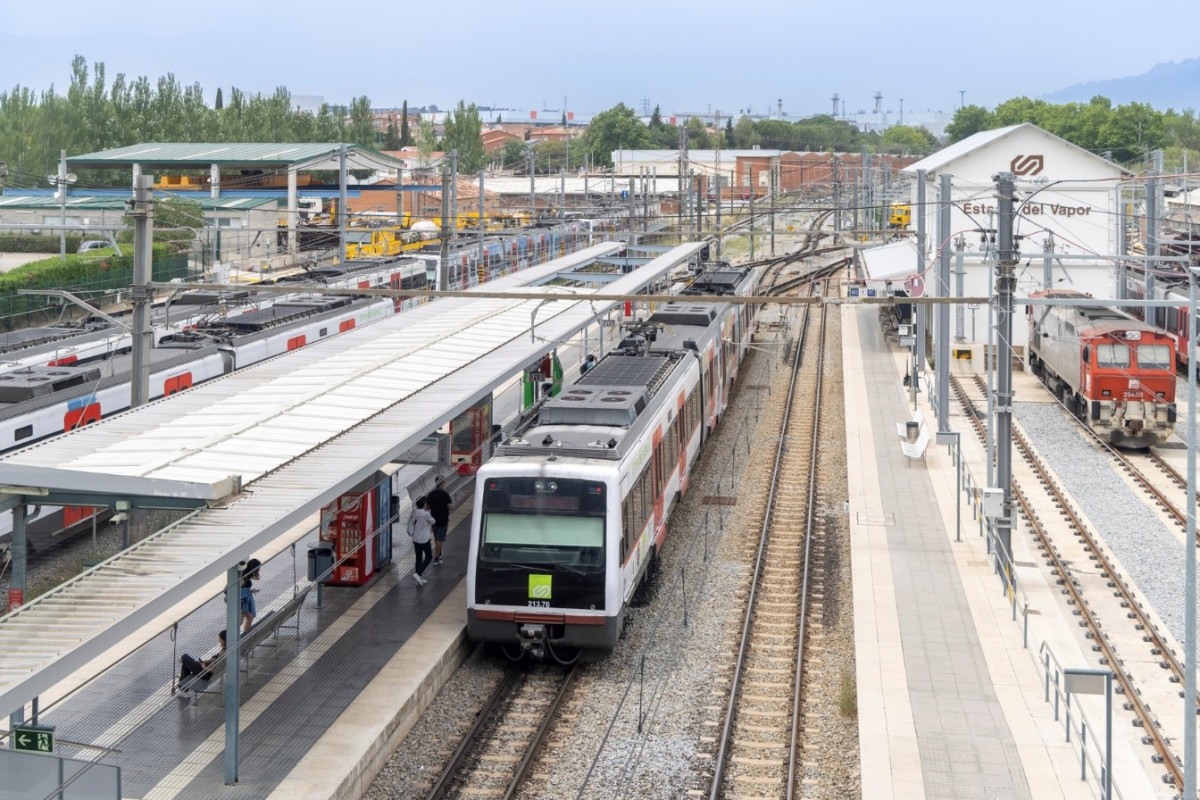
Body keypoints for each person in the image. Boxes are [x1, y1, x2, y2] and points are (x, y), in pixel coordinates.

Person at [426, 477, 452, 566]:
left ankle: (439, 553)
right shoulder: (445, 494)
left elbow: (426, 507)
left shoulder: (431, 494)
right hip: (443, 520)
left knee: (436, 538)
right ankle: (436, 559)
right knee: (439, 540)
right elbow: (450, 508)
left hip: (434, 520)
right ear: (442, 483)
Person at [408, 496, 435, 585]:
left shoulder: (413, 513)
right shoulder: (425, 514)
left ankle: (418, 577)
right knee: (429, 557)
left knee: (418, 557)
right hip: (424, 539)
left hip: (415, 539)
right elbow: (433, 521)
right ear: (424, 504)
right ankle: (418, 574)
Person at [239, 559, 261, 633]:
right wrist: (249, 591)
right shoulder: (244, 576)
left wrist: (250, 590)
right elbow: (238, 588)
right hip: (243, 600)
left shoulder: (248, 574)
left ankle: (244, 636)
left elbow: (258, 578)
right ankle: (240, 637)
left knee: (249, 618)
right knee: (245, 619)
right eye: (258, 568)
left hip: (246, 598)